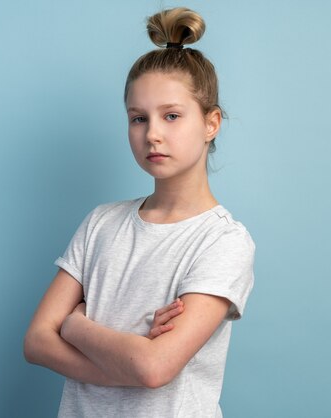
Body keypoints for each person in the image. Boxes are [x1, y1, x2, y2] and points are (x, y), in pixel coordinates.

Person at [24, 7, 255, 418]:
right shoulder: (102, 222)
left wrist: (75, 326)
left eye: (171, 116)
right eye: (138, 118)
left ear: (211, 123)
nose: (152, 133)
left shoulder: (223, 241)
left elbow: (154, 368)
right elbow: (37, 341)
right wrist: (124, 364)